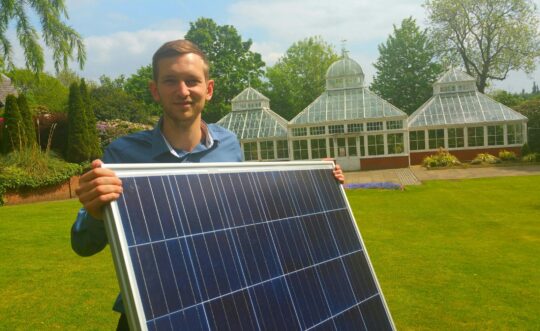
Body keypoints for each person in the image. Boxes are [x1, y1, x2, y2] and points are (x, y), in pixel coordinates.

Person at [71, 39, 345, 330]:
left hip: (224, 302)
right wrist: (97, 212)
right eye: (170, 81)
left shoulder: (229, 145)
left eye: (192, 81)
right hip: (149, 309)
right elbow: (83, 245)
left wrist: (319, 185)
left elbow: (253, 219)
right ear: (155, 90)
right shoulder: (122, 156)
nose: (182, 91)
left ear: (209, 89)